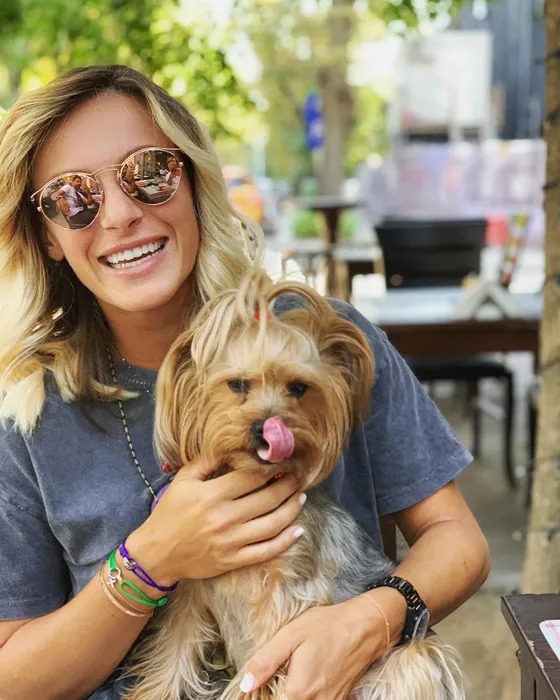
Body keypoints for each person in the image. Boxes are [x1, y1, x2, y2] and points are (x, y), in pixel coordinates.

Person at [0, 65, 490, 700]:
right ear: (47, 235)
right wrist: (151, 562)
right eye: (72, 197)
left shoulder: (316, 336)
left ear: (194, 182)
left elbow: (460, 541)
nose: (119, 215)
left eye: (149, 172)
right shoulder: (28, 413)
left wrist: (370, 619)